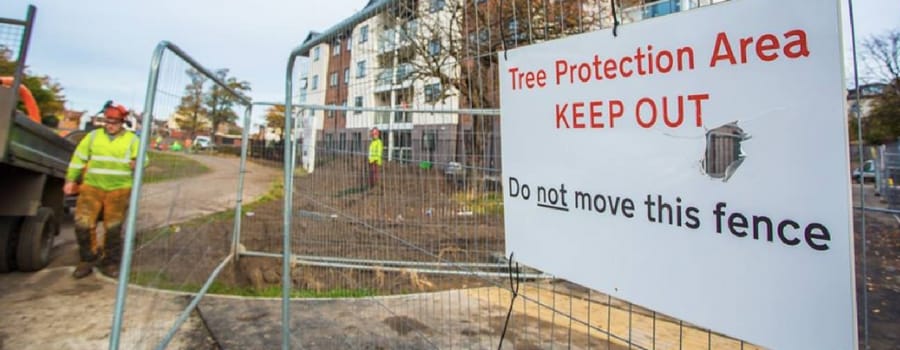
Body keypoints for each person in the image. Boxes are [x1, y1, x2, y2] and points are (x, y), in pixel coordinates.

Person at [63, 101, 141, 279]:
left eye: (114, 122)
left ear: (122, 123)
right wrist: (70, 179)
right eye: (108, 122)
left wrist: (138, 163)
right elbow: (78, 159)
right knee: (83, 225)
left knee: (113, 229)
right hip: (92, 187)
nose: (110, 126)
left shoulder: (132, 140)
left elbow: (143, 159)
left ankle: (110, 263)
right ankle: (87, 259)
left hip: (119, 190)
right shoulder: (93, 137)